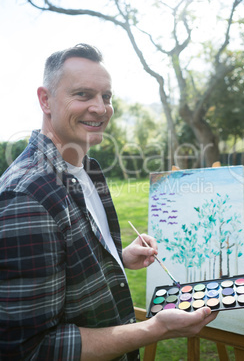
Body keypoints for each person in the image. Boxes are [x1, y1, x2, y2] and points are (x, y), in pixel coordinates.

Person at [0, 44, 217, 361]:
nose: (101, 108)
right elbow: (30, 348)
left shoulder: (88, 170)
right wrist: (155, 329)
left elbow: (66, 260)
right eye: (84, 95)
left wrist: (120, 256)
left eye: (107, 97)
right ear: (45, 100)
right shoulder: (26, 196)